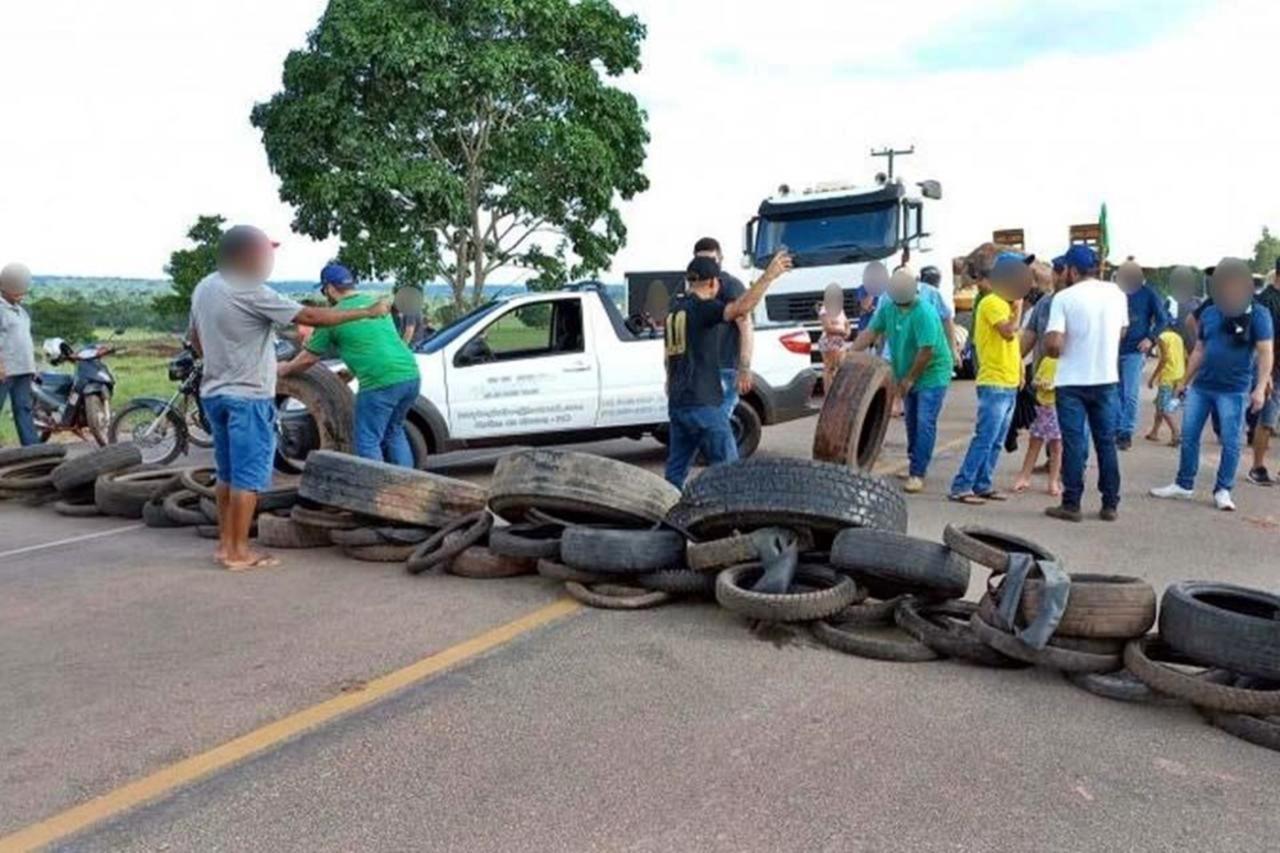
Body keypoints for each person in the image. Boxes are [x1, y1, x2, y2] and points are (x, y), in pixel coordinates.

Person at [189, 226, 391, 571]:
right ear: (244, 256)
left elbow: (195, 339)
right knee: (248, 476)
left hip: (214, 393)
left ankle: (226, 545)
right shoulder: (249, 289)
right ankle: (240, 553)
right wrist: (366, 312)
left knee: (226, 473)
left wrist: (223, 361)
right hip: (249, 396)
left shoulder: (204, 287)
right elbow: (311, 317)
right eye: (263, 254)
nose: (267, 261)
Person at [1151, 259, 1274, 511]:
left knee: (1231, 441)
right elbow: (1199, 349)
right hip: (1202, 387)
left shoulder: (1258, 313)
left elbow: (1265, 351)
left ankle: (1223, 490)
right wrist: (1184, 381)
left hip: (1234, 389)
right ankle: (1184, 484)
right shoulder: (1210, 312)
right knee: (1189, 436)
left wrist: (1260, 386)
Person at [664, 251, 792, 486]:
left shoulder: (674, 311)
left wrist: (669, 384)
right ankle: (731, 520)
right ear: (713, 283)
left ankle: (667, 518)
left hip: (678, 404)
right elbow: (740, 308)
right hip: (704, 404)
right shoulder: (702, 309)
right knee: (730, 471)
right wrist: (768, 277)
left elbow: (667, 357)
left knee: (675, 474)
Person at [278, 263, 421, 467]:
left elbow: (309, 358)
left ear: (328, 288)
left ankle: (374, 492)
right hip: (410, 375)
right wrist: (351, 372)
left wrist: (285, 368)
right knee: (394, 432)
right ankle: (408, 489)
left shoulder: (332, 317)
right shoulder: (376, 305)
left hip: (380, 383)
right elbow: (373, 344)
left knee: (367, 440)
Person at [1042, 244, 1129, 523]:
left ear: (1072, 270)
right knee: (1106, 442)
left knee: (1074, 442)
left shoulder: (1064, 298)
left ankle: (1072, 504)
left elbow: (1054, 344)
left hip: (1071, 381)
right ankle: (1110, 504)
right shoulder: (1116, 293)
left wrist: (1058, 348)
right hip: (1105, 378)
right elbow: (1123, 330)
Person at [849, 269, 953, 493]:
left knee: (925, 421)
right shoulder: (888, 309)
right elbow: (870, 332)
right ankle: (915, 462)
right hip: (907, 370)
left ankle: (918, 473)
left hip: (932, 372)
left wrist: (908, 380)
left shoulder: (924, 311)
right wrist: (850, 353)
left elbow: (926, 351)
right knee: (911, 423)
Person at [948, 252, 1032, 504]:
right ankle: (961, 486)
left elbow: (1013, 344)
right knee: (985, 437)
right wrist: (1017, 307)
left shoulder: (1004, 304)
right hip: (994, 381)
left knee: (996, 440)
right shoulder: (993, 302)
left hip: (1006, 381)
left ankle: (982, 484)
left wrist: (1019, 371)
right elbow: (1008, 332)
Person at [693, 237, 753, 426]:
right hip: (701, 370)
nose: (706, 265)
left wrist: (744, 367)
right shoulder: (692, 288)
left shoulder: (731, 286)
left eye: (711, 259)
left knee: (717, 426)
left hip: (725, 367)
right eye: (701, 260)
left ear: (720, 259)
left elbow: (746, 328)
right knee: (705, 427)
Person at [1114, 260, 1170, 450]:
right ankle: (1116, 427)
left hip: (1134, 351)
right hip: (1113, 349)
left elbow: (1163, 319)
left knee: (1129, 393)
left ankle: (1125, 431)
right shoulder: (1115, 293)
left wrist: (1151, 339)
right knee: (1114, 392)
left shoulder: (1148, 294)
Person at [1246, 264, 1280, 485]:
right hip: (1272, 369)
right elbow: (1260, 341)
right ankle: (1257, 467)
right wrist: (1264, 373)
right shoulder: (1265, 300)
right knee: (1267, 420)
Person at [0, 262, 39, 446]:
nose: (21, 295)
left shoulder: (22, 312)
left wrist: (32, 367)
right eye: (17, 291)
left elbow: (25, 341)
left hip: (23, 369)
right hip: (5, 370)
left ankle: (33, 450)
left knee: (24, 409)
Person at [1013, 354, 1062, 495]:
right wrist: (1040, 382)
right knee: (1034, 442)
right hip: (1041, 406)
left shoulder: (1068, 363)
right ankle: (1024, 476)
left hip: (1057, 407)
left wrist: (1055, 385)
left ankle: (1053, 481)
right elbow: (1034, 381)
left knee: (1056, 446)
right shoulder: (1046, 360)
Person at [1145, 326, 1186, 446]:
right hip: (1179, 373)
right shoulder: (1178, 337)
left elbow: (1164, 359)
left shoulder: (1161, 338)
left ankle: (1176, 433)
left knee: (1164, 408)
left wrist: (1153, 377)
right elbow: (1185, 356)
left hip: (1167, 376)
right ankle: (1154, 432)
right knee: (1159, 405)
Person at [816, 282, 851, 392]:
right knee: (830, 368)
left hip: (840, 341)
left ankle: (839, 392)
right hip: (829, 341)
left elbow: (846, 323)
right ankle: (828, 393)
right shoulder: (824, 310)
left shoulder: (840, 309)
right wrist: (841, 332)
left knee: (841, 367)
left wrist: (847, 332)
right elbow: (827, 327)